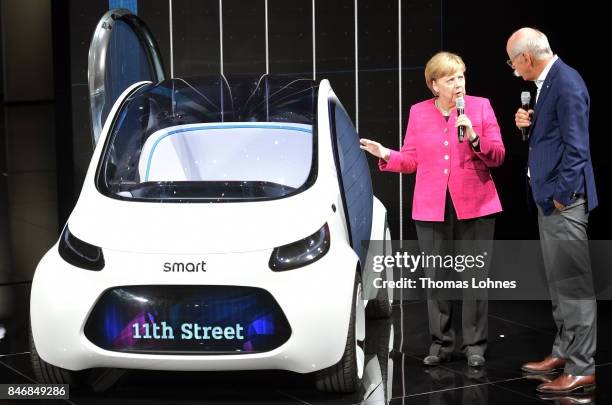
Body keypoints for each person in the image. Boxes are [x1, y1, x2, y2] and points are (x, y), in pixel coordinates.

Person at [360, 52, 505, 367]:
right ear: (434, 85)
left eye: (461, 77)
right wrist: (386, 153)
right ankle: (441, 344)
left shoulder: (480, 107)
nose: (458, 84)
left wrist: (476, 139)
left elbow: (498, 155)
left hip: (476, 205)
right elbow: (412, 159)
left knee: (474, 278)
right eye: (451, 79)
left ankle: (475, 346)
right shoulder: (419, 112)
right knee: (437, 279)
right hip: (431, 206)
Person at [507, 28, 598, 394]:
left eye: (512, 61)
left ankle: (582, 366)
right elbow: (554, 139)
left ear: (526, 58)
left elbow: (578, 148)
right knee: (559, 283)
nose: (512, 69)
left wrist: (562, 196)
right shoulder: (547, 84)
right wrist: (526, 127)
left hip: (564, 201)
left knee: (573, 285)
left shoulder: (567, 83)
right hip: (548, 199)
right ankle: (564, 350)